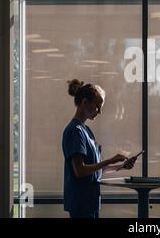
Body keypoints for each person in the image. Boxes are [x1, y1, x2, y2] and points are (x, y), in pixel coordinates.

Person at [62, 79, 137, 218]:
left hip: (90, 202)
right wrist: (110, 160)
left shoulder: (86, 131)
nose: (100, 111)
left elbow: (95, 170)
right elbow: (80, 171)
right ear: (85, 103)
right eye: (97, 106)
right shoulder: (75, 131)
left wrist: (120, 166)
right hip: (82, 204)